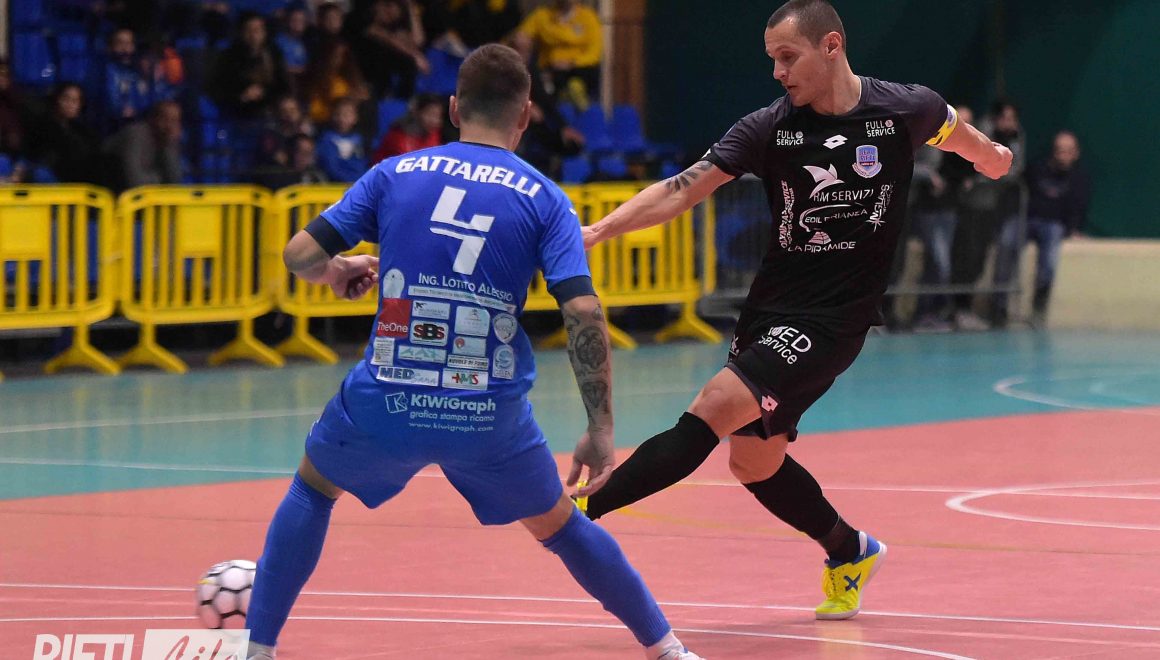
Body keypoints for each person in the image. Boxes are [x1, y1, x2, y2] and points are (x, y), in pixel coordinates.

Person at [243, 44, 701, 660]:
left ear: (455, 108)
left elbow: (299, 254)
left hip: (387, 400)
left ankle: (258, 649)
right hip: (487, 413)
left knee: (313, 489)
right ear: (526, 115)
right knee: (561, 526)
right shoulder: (545, 198)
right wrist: (600, 428)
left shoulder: (394, 173)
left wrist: (337, 270)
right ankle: (667, 648)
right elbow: (583, 312)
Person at [574, 0, 1012, 622]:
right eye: (772, 60)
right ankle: (850, 550)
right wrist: (599, 231)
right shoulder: (768, 129)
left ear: (831, 46)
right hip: (771, 308)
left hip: (835, 320)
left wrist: (993, 157)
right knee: (754, 462)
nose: (777, 72)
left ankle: (577, 514)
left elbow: (967, 140)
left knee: (713, 406)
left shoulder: (904, 109)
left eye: (787, 57)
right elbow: (682, 189)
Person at [990, 130, 1090, 328]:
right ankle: (998, 307)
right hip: (1026, 219)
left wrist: (1073, 228)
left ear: (1076, 153)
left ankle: (1038, 309)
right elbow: (1018, 192)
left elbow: (1078, 206)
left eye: (1068, 151)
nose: (1063, 155)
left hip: (1054, 225)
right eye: (1059, 150)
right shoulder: (1037, 169)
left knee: (1049, 261)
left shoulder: (1079, 178)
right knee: (1007, 241)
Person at [949, 100, 1025, 330]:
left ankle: (966, 308)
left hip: (991, 207)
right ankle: (955, 308)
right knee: (965, 255)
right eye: (1005, 118)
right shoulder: (980, 133)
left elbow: (1014, 169)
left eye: (1013, 119)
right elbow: (973, 165)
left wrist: (994, 174)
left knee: (979, 257)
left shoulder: (1015, 137)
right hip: (969, 205)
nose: (1009, 123)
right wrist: (985, 176)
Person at [910, 105, 978, 332]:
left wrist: (969, 178)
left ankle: (932, 313)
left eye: (968, 122)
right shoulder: (932, 140)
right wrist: (930, 176)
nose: (964, 126)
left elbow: (966, 170)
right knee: (940, 262)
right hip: (929, 210)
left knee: (940, 263)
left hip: (950, 210)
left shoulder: (968, 145)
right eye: (961, 121)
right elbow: (911, 163)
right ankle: (923, 313)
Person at [515, 0, 602, 106]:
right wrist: (521, 40)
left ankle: (577, 98)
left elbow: (594, 52)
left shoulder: (588, 17)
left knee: (579, 80)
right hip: (549, 69)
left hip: (580, 70)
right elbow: (521, 35)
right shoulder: (542, 16)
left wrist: (571, 63)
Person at [210, 13, 292, 119]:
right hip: (238, 113)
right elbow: (218, 89)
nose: (253, 35)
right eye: (249, 30)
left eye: (257, 30)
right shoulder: (229, 57)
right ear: (241, 33)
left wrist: (264, 92)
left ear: (264, 33)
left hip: (270, 111)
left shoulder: (273, 54)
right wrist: (242, 96)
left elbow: (283, 85)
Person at [103, 100, 184, 191]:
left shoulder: (168, 140)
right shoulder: (135, 134)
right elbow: (134, 181)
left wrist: (168, 145)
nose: (169, 126)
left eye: (174, 121)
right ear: (152, 119)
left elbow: (174, 181)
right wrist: (160, 178)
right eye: (165, 119)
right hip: (105, 192)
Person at [371, 92, 444, 163]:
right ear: (416, 112)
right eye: (430, 114)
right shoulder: (397, 137)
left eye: (438, 116)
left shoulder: (434, 133)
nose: (436, 121)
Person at [316, 97, 368, 182]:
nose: (342, 118)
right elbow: (331, 167)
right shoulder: (327, 139)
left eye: (347, 115)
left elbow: (362, 163)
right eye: (338, 114)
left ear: (355, 118)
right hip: (335, 185)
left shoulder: (360, 139)